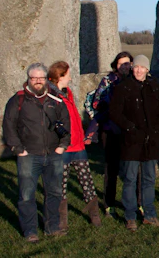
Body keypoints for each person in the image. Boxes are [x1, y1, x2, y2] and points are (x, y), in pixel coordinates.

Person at [3, 63, 71, 243]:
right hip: (29, 154)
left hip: (53, 153)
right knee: (27, 195)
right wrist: (18, 149)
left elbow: (65, 123)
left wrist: (62, 145)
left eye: (41, 77)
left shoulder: (55, 99)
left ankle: (52, 227)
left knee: (55, 192)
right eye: (34, 78)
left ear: (46, 78)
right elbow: (9, 126)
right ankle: (30, 230)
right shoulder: (18, 100)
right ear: (28, 79)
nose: (38, 81)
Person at [108, 55, 159, 231]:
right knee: (130, 179)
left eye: (142, 67)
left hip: (150, 140)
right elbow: (115, 113)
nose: (139, 70)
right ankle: (130, 216)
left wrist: (156, 131)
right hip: (131, 140)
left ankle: (149, 214)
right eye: (136, 67)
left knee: (149, 179)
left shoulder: (154, 87)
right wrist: (129, 127)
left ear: (147, 69)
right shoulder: (123, 87)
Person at [48, 61, 101, 230]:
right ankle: (62, 220)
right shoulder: (51, 97)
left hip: (78, 145)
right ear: (60, 76)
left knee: (87, 181)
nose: (71, 78)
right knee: (61, 184)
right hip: (63, 147)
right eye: (68, 74)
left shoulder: (67, 92)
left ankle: (94, 215)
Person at [83, 51, 135, 217]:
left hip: (130, 130)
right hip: (111, 128)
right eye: (121, 64)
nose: (125, 67)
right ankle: (109, 204)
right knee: (111, 168)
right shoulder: (108, 80)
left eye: (127, 63)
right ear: (116, 65)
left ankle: (133, 202)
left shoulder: (135, 79)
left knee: (132, 168)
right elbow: (97, 101)